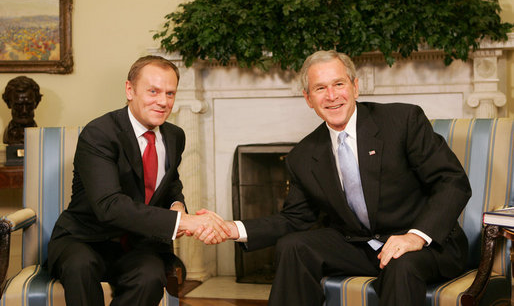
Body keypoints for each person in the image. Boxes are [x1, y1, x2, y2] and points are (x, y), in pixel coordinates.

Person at [204, 50, 472, 305]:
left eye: (339, 84)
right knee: (294, 246)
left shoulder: (402, 120)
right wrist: (233, 229)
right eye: (320, 88)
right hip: (363, 246)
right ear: (308, 99)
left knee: (401, 263)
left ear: (355, 87)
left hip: (425, 246)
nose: (331, 96)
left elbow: (452, 181)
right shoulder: (303, 155)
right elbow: (295, 219)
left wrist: (415, 237)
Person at [47, 55, 230, 306]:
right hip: (84, 238)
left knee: (151, 276)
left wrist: (177, 204)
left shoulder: (175, 136)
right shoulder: (99, 134)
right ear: (130, 90)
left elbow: (170, 181)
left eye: (170, 93)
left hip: (137, 243)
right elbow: (109, 206)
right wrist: (185, 221)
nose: (163, 102)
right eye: (153, 91)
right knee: (81, 267)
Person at [2, 75, 42, 145]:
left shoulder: (40, 135)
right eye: (18, 105)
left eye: (29, 104)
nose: (24, 111)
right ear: (8, 103)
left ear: (36, 103)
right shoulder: (8, 134)